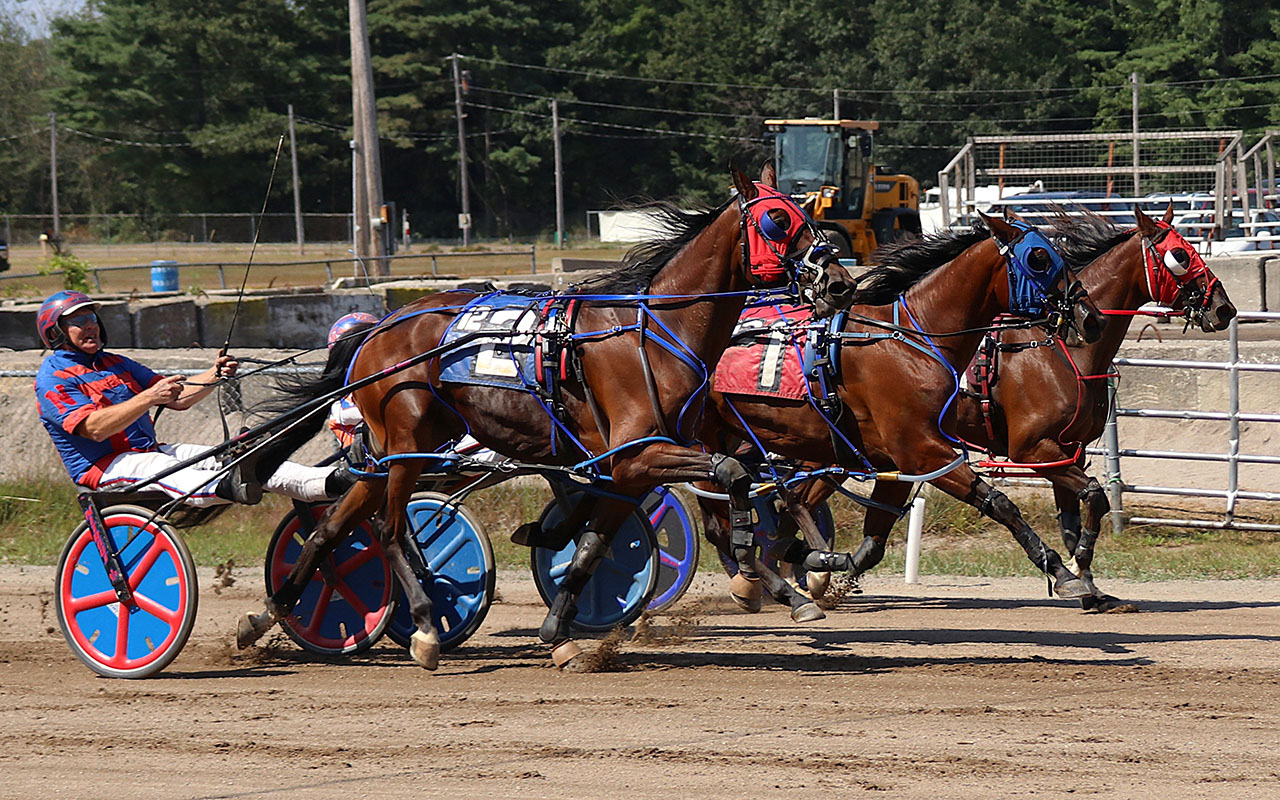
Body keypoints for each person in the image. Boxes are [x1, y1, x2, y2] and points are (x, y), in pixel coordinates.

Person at [35, 290, 353, 507]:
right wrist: (148, 398)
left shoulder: (115, 362)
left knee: (234, 454)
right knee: (163, 464)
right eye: (78, 321)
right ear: (56, 332)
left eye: (92, 319)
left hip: (148, 452)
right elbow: (94, 429)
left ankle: (328, 482)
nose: (90, 325)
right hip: (104, 468)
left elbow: (178, 396)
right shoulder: (52, 377)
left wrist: (213, 374)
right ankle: (228, 485)